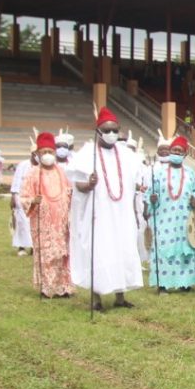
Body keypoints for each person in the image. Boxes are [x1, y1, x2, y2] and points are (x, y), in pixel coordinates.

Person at [67, 106, 144, 311]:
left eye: (114, 130)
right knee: (99, 252)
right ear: (98, 131)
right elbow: (77, 186)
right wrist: (89, 185)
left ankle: (121, 297)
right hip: (98, 215)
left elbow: (136, 182)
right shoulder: (87, 154)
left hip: (121, 215)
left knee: (122, 250)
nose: (111, 134)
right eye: (107, 130)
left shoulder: (127, 155)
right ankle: (96, 299)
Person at [146, 135, 195, 293]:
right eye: (174, 150)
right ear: (169, 152)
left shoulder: (191, 173)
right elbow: (150, 194)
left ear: (185, 155)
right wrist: (152, 199)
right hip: (164, 219)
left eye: (180, 151)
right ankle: (162, 284)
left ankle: (185, 283)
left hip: (185, 218)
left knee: (185, 250)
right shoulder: (158, 173)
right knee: (164, 248)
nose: (177, 153)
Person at [22, 132, 74, 298]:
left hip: (61, 221)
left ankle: (64, 287)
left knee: (63, 254)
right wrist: (32, 201)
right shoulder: (32, 174)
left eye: (50, 152)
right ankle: (47, 288)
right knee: (47, 255)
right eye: (43, 152)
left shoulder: (61, 172)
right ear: (37, 154)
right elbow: (24, 196)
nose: (47, 155)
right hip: (43, 222)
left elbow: (69, 192)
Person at [10, 145, 37, 256]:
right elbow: (16, 180)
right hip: (21, 197)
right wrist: (13, 196)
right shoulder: (23, 165)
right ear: (32, 154)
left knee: (34, 224)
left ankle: (34, 247)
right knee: (22, 223)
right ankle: (21, 247)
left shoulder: (41, 166)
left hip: (35, 199)